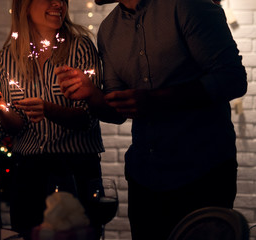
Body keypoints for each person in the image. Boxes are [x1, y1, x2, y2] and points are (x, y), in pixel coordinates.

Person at [55, 0, 247, 239]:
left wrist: (156, 99)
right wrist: (92, 94)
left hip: (202, 173)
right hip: (145, 181)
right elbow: (117, 113)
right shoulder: (108, 30)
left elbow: (233, 79)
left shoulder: (188, 6)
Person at [0, 0, 105, 238]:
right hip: (29, 174)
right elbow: (16, 128)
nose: (58, 3)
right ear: (25, 5)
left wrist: (48, 109)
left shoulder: (80, 47)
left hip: (76, 170)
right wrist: (2, 107)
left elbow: (87, 118)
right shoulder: (8, 57)